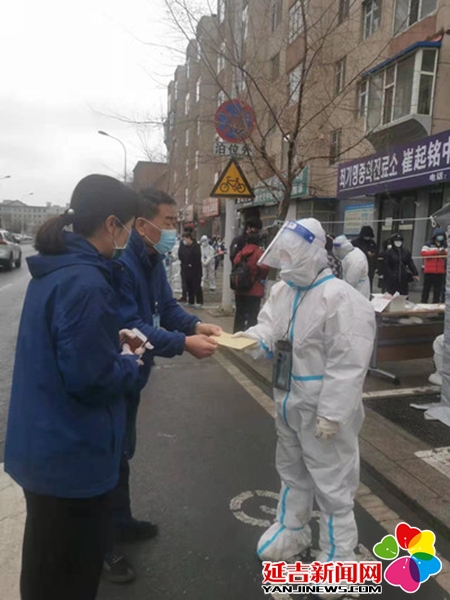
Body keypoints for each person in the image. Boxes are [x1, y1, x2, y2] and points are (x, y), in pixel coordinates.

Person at [4, 174, 143, 600]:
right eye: (130, 226)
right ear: (112, 223)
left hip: (46, 448)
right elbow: (91, 380)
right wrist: (129, 360)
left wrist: (108, 345)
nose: (129, 237)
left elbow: (66, 350)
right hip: (72, 460)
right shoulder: (86, 282)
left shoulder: (58, 270)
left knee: (45, 569)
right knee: (69, 578)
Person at [235, 219, 375, 598]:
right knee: (292, 471)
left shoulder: (341, 298)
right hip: (288, 401)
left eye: (290, 255)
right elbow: (269, 329)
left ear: (312, 254)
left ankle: (339, 556)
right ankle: (292, 528)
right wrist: (248, 340)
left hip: (322, 410)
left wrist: (333, 414)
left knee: (332, 483)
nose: (284, 263)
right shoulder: (283, 291)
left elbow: (348, 364)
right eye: (281, 255)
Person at [111, 188, 221, 581]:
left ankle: (121, 522)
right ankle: (104, 545)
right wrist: (183, 344)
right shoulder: (122, 264)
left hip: (134, 375)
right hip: (115, 374)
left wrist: (195, 325)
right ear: (143, 225)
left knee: (122, 452)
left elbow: (167, 307)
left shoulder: (152, 259)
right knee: (108, 458)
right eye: (169, 222)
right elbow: (131, 327)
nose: (175, 229)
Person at [232, 229, 269, 333]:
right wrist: (259, 277)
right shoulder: (259, 253)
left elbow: (235, 263)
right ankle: (249, 336)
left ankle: (236, 334)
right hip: (254, 290)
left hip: (240, 288)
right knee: (252, 316)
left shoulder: (241, 252)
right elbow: (265, 268)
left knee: (239, 314)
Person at [333, 234, 371, 298]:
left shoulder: (356, 259)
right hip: (352, 290)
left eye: (337, 250)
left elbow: (350, 282)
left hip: (358, 291)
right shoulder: (349, 255)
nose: (337, 253)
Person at [420, 228, 447, 304]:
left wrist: (443, 252)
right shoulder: (428, 244)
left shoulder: (445, 245)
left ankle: (436, 303)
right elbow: (423, 253)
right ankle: (424, 302)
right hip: (429, 271)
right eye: (439, 235)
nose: (440, 237)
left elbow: (447, 253)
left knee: (437, 289)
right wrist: (436, 252)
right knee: (426, 288)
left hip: (440, 271)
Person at [351, 226, 379, 292]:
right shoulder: (356, 242)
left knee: (369, 282)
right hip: (359, 266)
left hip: (370, 266)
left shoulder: (372, 243)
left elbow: (376, 252)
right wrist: (366, 253)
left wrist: (373, 254)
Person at [182, 232, 203, 307]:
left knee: (196, 286)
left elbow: (197, 258)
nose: (184, 241)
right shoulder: (186, 247)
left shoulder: (196, 246)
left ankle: (199, 301)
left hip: (195, 270)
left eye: (185, 239)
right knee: (189, 286)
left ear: (188, 238)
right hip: (187, 270)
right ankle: (191, 301)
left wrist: (191, 263)